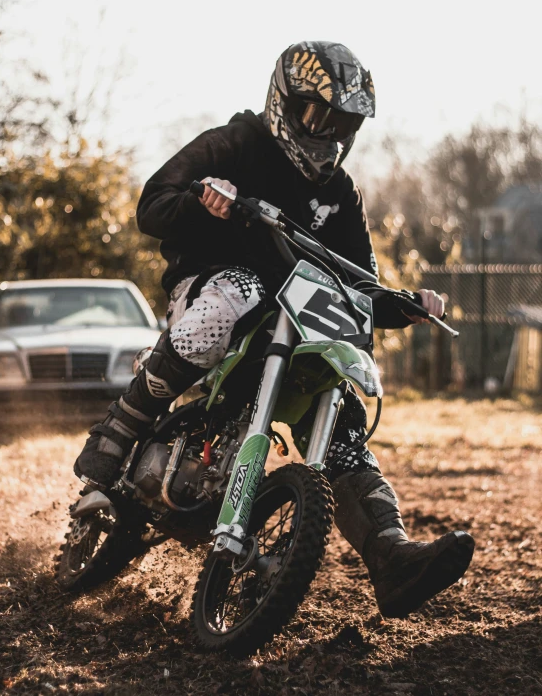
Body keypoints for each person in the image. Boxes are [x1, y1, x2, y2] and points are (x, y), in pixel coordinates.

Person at [74, 41, 474, 618]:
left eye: (342, 124)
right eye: (318, 116)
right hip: (211, 294)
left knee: (340, 418)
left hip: (293, 327)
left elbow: (360, 283)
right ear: (285, 102)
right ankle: (119, 428)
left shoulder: (340, 193)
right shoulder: (234, 143)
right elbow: (152, 203)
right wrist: (202, 200)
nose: (327, 134)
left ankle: (392, 556)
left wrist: (405, 304)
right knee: (241, 288)